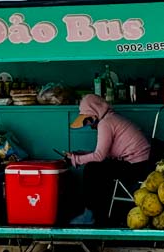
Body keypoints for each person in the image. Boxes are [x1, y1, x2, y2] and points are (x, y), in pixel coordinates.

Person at [64, 94, 152, 226]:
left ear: (94, 114)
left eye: (87, 120)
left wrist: (76, 160)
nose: (88, 125)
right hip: (141, 163)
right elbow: (103, 154)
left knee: (92, 169)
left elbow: (99, 156)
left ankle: (91, 215)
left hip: (136, 167)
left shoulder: (105, 123)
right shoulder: (111, 118)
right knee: (99, 168)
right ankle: (99, 215)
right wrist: (81, 155)